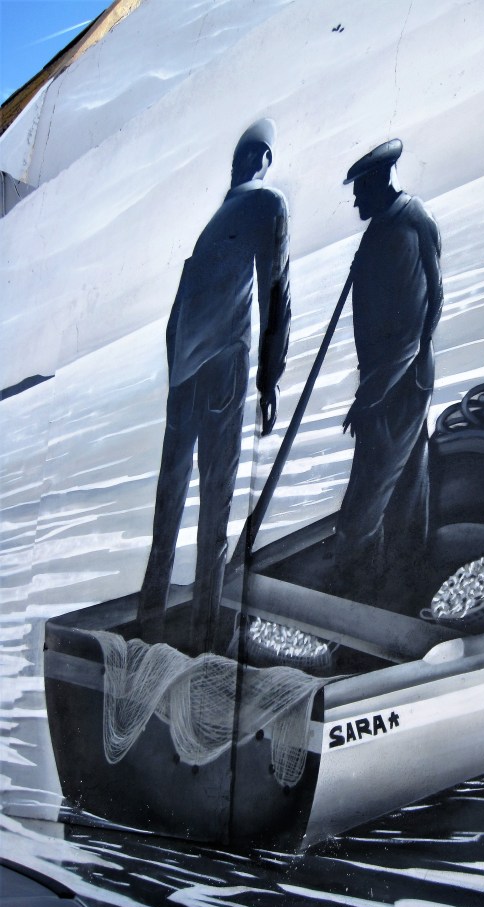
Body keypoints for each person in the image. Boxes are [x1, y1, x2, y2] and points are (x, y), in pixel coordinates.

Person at [138, 118, 291, 653]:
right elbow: (275, 292)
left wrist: (178, 376)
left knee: (169, 507)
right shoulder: (267, 204)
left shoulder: (213, 226)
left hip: (184, 377)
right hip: (223, 368)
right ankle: (203, 641)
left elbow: (174, 320)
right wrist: (269, 379)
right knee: (215, 505)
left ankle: (147, 627)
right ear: (264, 161)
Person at [335, 139, 443, 592]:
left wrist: (367, 399)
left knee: (362, 508)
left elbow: (406, 337)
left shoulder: (400, 234)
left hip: (396, 388)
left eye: (360, 191)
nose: (355, 201)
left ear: (382, 183)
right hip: (401, 383)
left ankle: (358, 594)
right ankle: (407, 582)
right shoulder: (388, 226)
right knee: (409, 486)